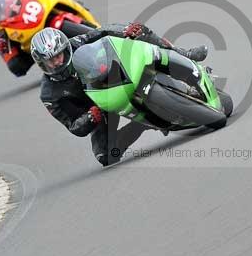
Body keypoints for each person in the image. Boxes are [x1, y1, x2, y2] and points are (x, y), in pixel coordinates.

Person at [30, 24, 208, 166]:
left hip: (116, 74)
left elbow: (103, 31)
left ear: (65, 48)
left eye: (59, 55)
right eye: (50, 61)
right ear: (41, 65)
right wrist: (90, 117)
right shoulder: (49, 95)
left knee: (139, 32)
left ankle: (186, 55)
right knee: (106, 157)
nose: (57, 62)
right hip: (100, 107)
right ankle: (143, 124)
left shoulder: (77, 42)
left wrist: (125, 31)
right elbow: (73, 125)